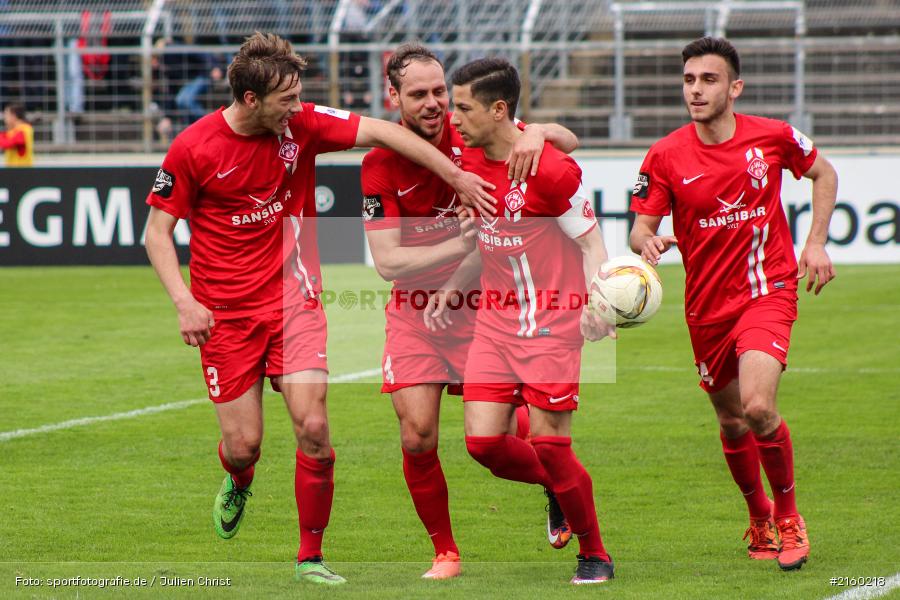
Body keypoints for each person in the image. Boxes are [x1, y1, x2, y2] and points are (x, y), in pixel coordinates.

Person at [144, 32, 494, 586]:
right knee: (243, 445)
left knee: (314, 427)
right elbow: (157, 233)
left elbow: (380, 130)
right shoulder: (193, 147)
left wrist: (455, 176)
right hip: (224, 316)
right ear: (250, 100)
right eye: (286, 99)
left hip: (294, 299)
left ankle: (310, 557)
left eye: (298, 94)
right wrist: (185, 302)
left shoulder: (301, 125)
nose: (297, 107)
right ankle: (239, 477)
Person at [360, 43, 581, 580]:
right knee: (417, 434)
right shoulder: (378, 165)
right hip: (418, 311)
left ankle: (554, 478)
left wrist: (536, 131)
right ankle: (446, 553)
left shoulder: (474, 125)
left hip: (486, 303)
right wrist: (458, 245)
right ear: (394, 97)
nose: (435, 103)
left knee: (503, 432)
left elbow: (570, 141)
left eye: (439, 91)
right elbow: (388, 263)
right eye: (419, 94)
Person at [629, 36, 838, 571]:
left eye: (708, 79)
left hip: (767, 289)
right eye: (689, 80)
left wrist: (814, 242)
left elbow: (823, 172)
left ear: (734, 87)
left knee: (758, 407)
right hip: (705, 306)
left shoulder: (771, 137)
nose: (695, 90)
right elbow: (640, 229)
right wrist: (646, 244)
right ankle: (759, 514)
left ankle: (790, 517)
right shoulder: (665, 154)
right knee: (731, 422)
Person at [437, 56, 617, 585]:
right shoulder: (465, 151)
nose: (453, 117)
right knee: (483, 444)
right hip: (494, 323)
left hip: (552, 324)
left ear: (497, 110)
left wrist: (598, 303)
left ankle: (595, 553)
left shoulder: (551, 169)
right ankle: (558, 487)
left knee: (551, 444)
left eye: (463, 107)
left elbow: (591, 242)